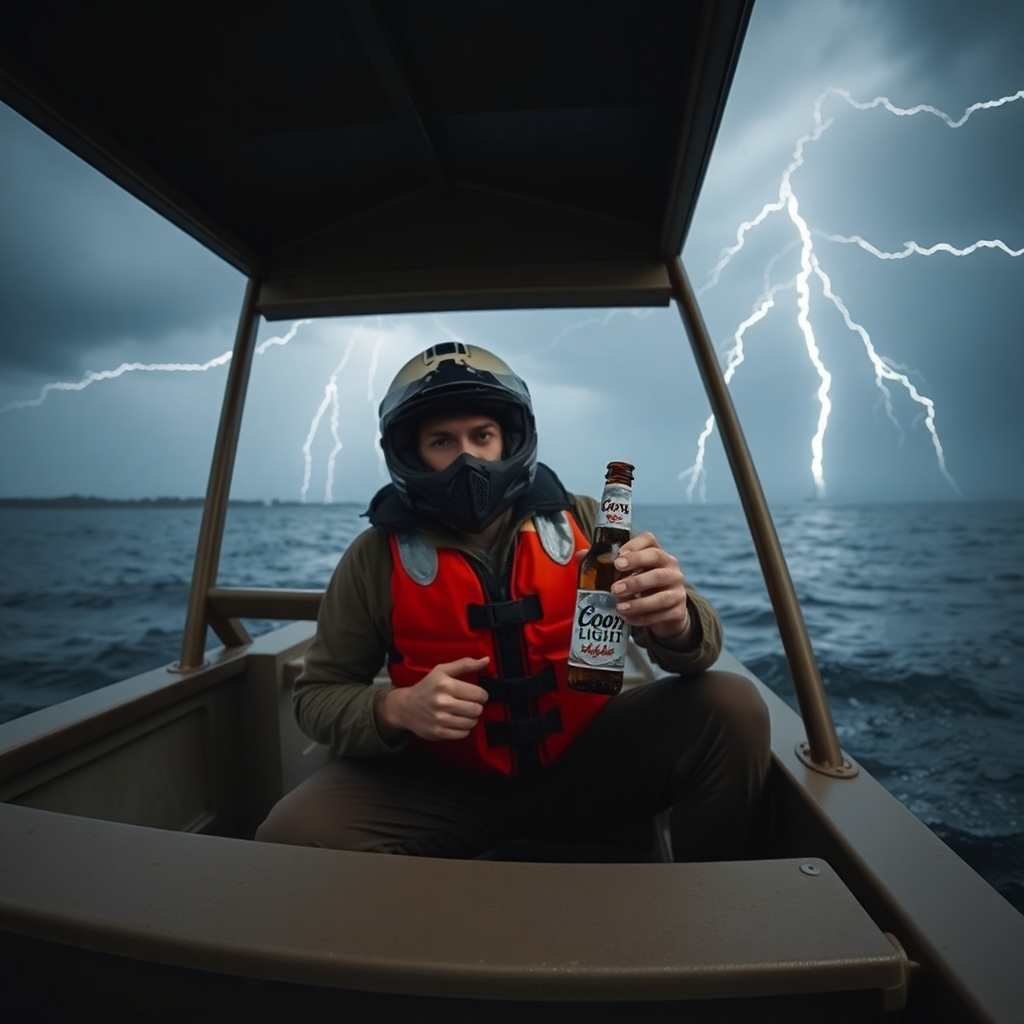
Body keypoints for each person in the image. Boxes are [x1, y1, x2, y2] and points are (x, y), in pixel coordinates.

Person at [256, 343, 770, 859]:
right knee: (294, 831)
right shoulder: (375, 557)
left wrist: (676, 622)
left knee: (732, 706)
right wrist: (396, 707)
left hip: (585, 763)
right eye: (442, 441)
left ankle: (711, 906)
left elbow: (700, 650)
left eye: (482, 436)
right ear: (412, 455)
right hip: (444, 782)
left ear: (510, 440)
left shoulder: (591, 522)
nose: (467, 458)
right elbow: (316, 695)